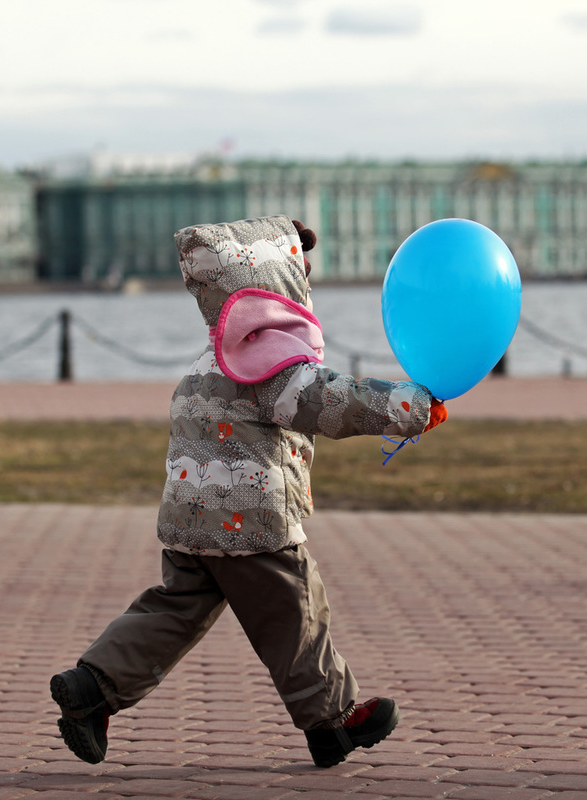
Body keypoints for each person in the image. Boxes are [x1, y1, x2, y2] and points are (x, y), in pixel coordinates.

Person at [50, 215, 447, 769]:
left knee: (175, 609)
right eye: (298, 271)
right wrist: (407, 407)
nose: (306, 282)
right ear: (273, 286)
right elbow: (329, 403)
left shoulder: (210, 358)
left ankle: (93, 685)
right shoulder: (270, 363)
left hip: (190, 522)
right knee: (296, 611)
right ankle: (332, 722)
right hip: (253, 522)